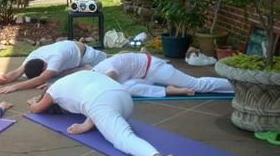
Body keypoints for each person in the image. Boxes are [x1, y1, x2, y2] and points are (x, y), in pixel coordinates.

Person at [27, 70, 192, 156]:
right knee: (100, 110)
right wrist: (85, 125)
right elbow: (89, 98)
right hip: (124, 98)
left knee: (123, 139)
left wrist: (33, 102)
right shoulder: (70, 79)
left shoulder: (53, 92)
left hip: (103, 100)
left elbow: (37, 109)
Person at [92, 52, 233, 97]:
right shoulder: (97, 69)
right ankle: (168, 90)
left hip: (155, 69)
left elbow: (108, 80)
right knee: (126, 88)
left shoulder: (106, 70)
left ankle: (236, 86)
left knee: (197, 85)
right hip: (141, 76)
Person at [0, 40, 107, 93]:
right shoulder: (32, 58)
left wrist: (14, 87)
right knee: (53, 77)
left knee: (108, 63)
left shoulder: (55, 58)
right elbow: (16, 73)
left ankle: (85, 68)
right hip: (69, 59)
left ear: (44, 67)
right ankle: (83, 69)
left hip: (86, 55)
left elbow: (40, 79)